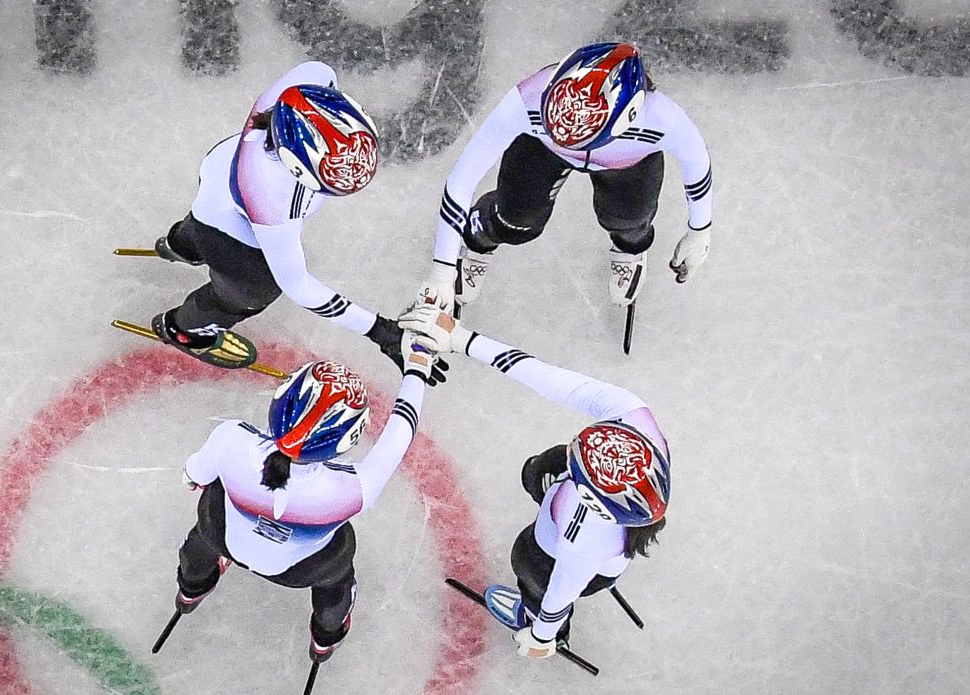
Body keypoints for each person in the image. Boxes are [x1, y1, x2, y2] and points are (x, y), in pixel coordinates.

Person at [399, 300, 670, 659]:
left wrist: (542, 634)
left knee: (528, 565)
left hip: (557, 556)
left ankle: (530, 613)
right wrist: (464, 339)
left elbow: (560, 592)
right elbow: (548, 378)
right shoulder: (631, 416)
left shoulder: (583, 536)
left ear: (589, 500)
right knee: (538, 470)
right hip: (576, 523)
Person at [151, 60, 443, 383]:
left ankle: (181, 243)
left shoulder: (306, 84)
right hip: (230, 230)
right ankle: (186, 328)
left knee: (204, 221)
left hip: (217, 176)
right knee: (252, 291)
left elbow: (324, 76)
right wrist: (381, 331)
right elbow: (297, 285)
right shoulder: (272, 197)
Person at [171, 331, 436, 663]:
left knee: (207, 523)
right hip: (300, 571)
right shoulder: (352, 491)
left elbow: (193, 476)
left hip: (224, 538)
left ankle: (191, 587)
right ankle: (326, 635)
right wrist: (418, 366)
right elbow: (402, 430)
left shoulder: (231, 439)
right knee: (336, 574)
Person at [417, 41, 713, 313]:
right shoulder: (528, 99)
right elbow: (463, 178)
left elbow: (697, 165)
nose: (565, 138)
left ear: (629, 117)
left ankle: (629, 247)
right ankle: (481, 234)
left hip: (626, 163)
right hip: (543, 151)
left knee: (628, 220)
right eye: (552, 122)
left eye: (580, 136)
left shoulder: (665, 120)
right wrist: (442, 269)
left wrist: (700, 231)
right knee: (516, 221)